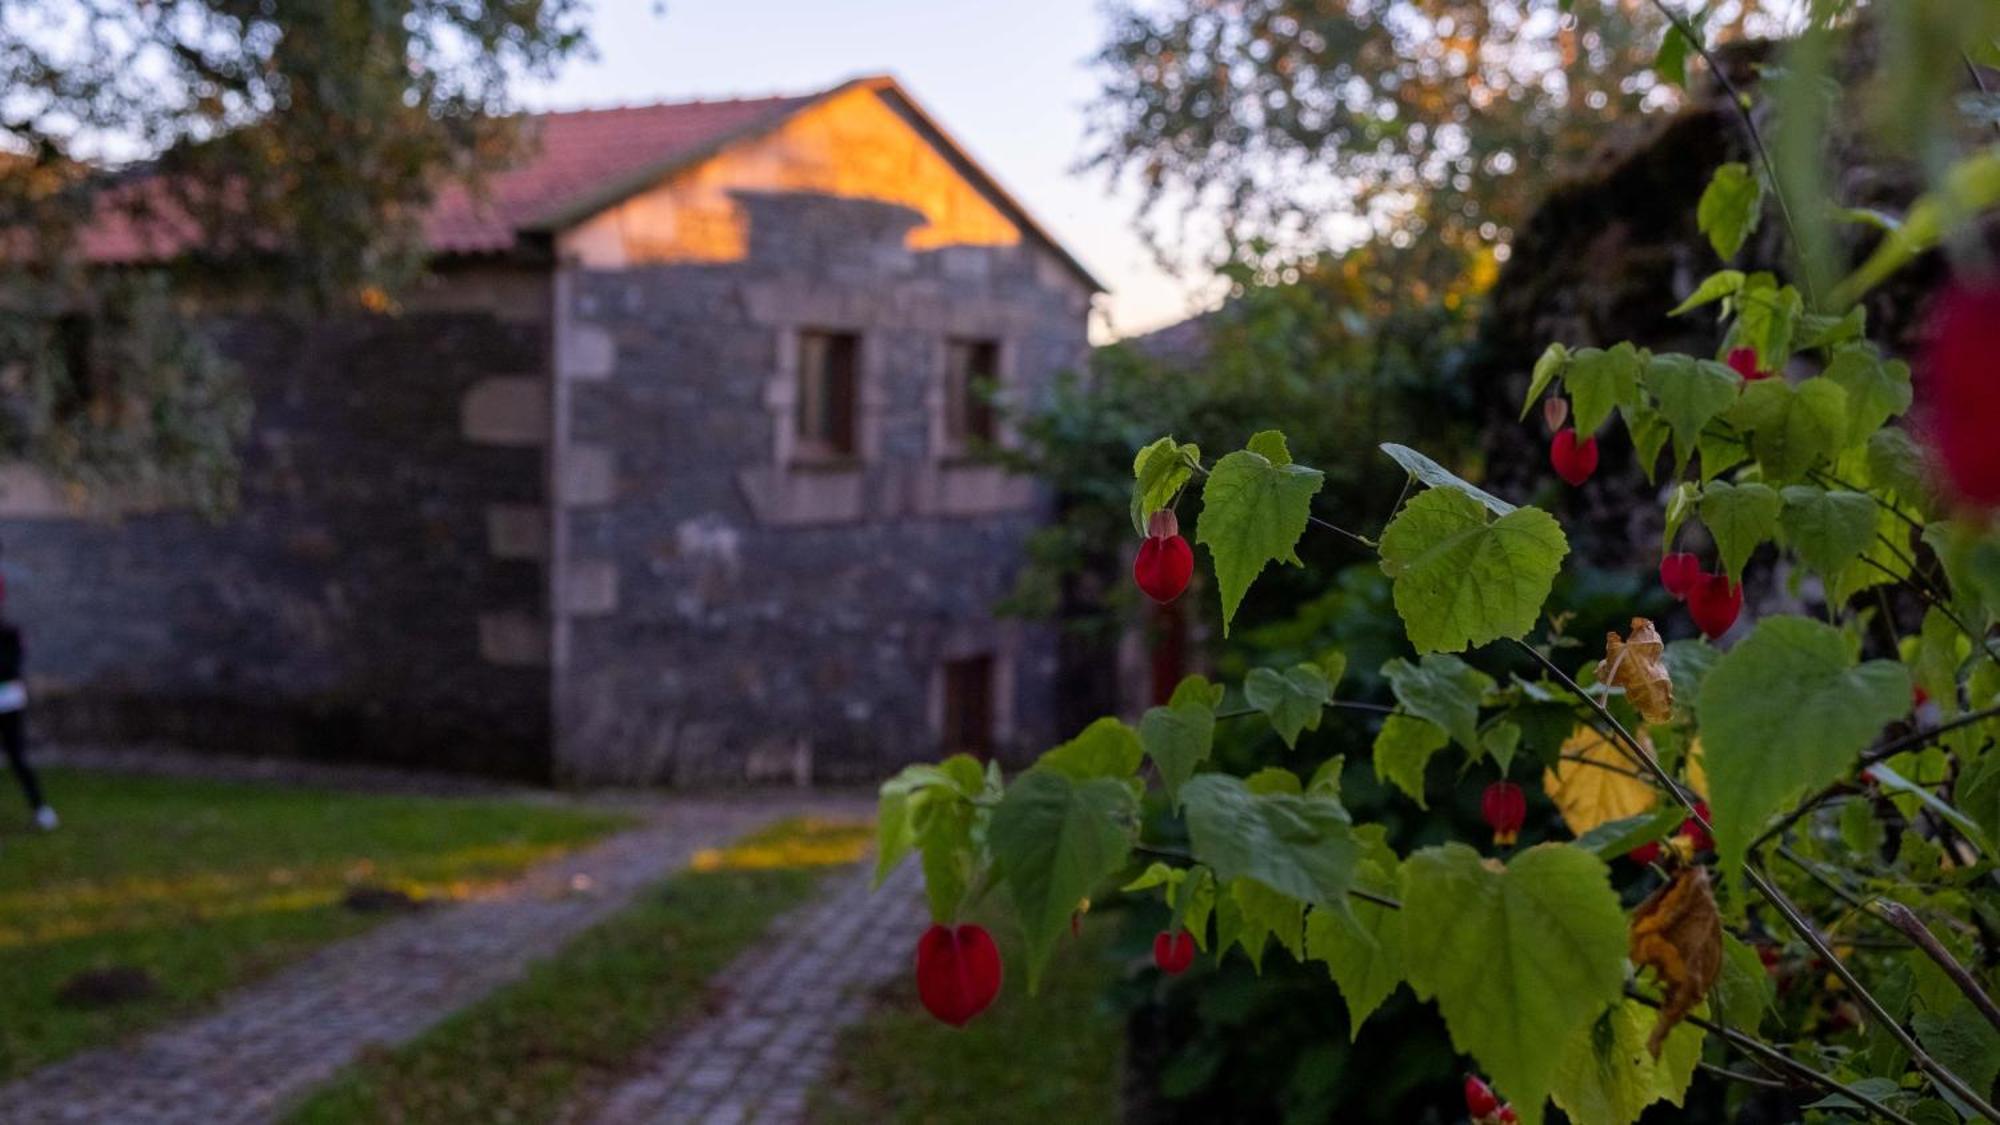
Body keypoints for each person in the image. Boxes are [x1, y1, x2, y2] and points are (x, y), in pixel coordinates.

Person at [0, 613, 55, 830]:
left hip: (9, 703)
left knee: (17, 757)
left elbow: (10, 667)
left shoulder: (9, 632)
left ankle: (41, 810)